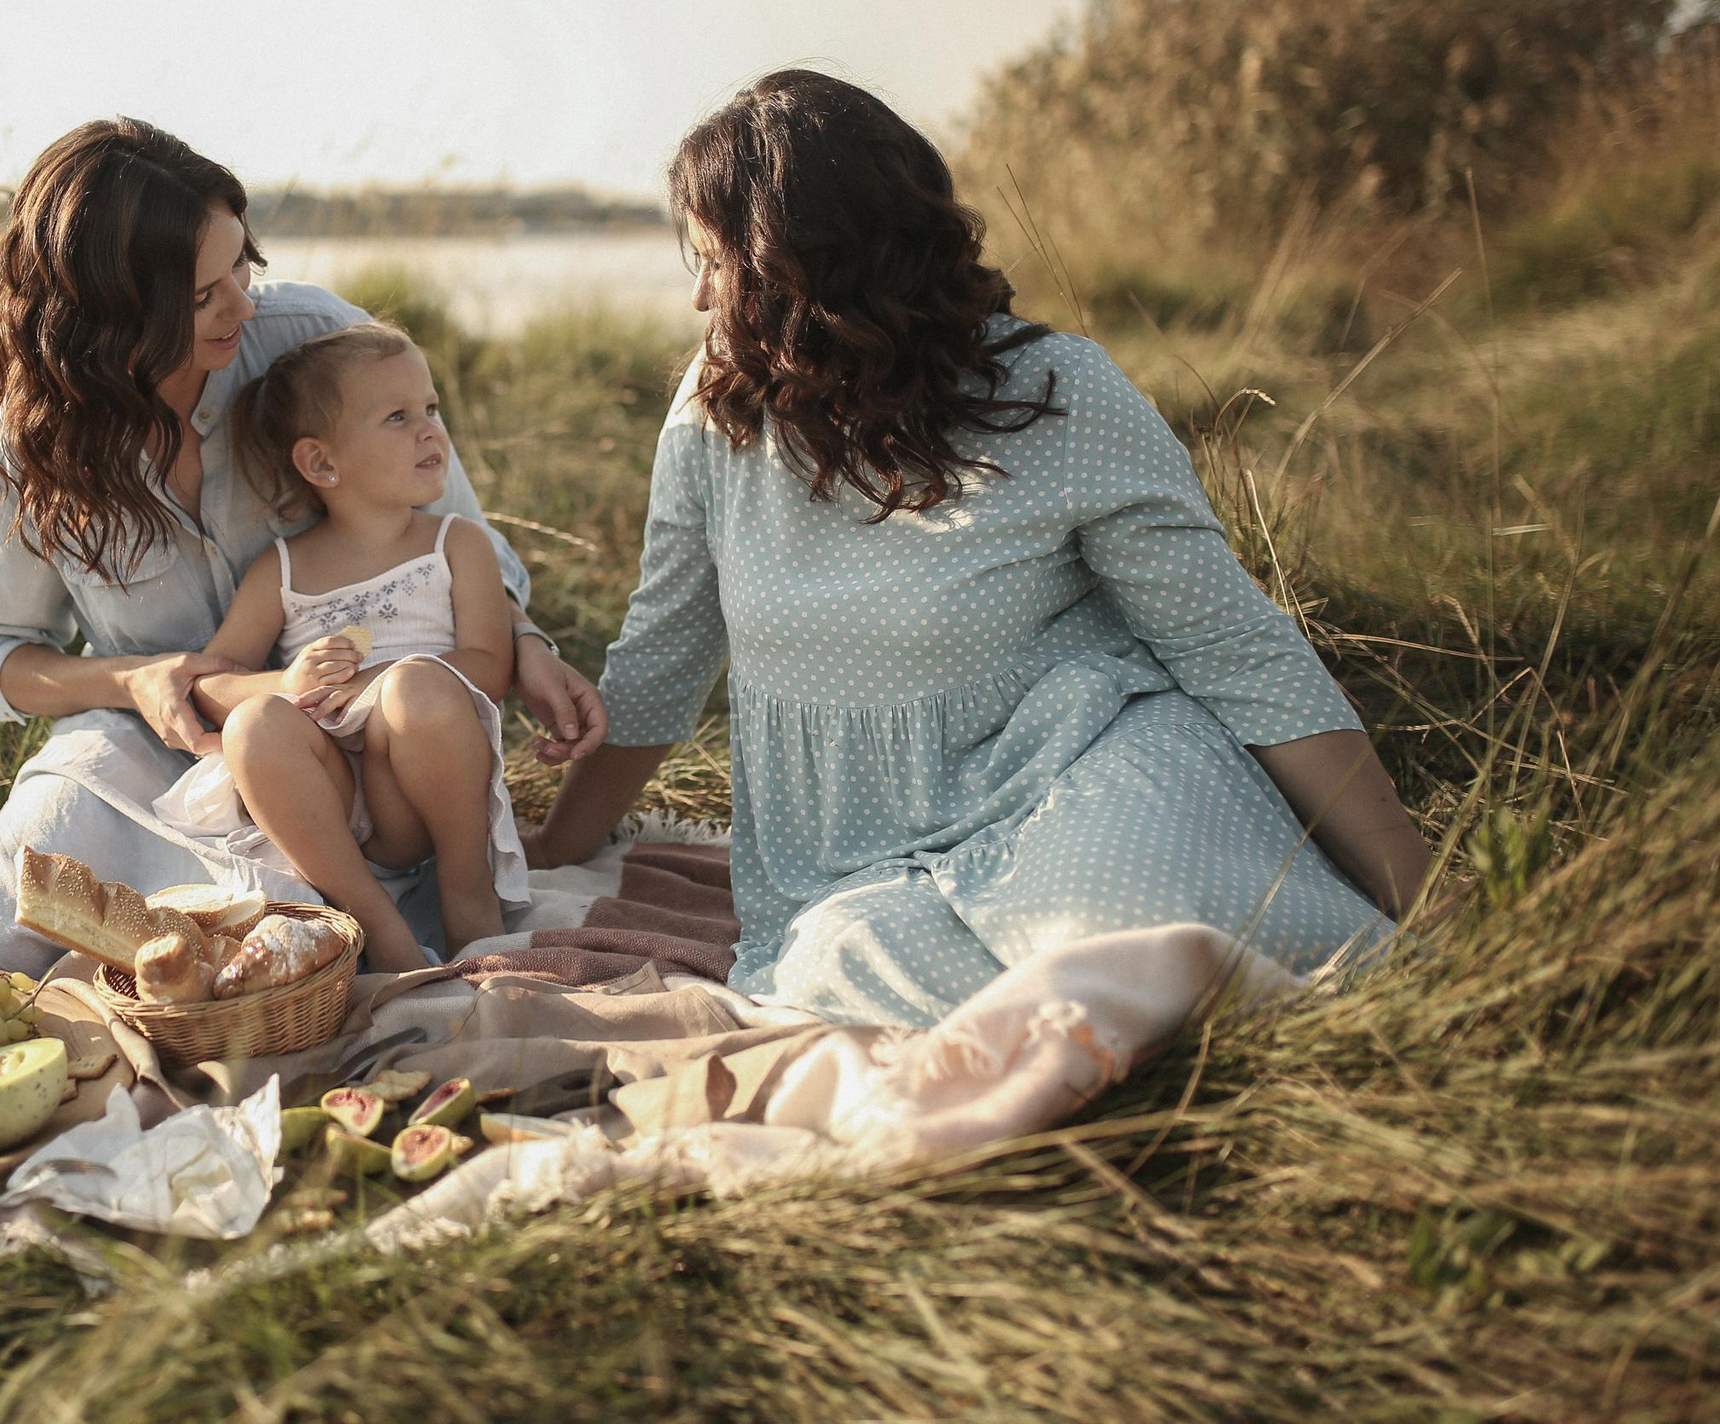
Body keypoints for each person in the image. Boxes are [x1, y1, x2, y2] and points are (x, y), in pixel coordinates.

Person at [527, 68, 1434, 1028]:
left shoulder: (1058, 390)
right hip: (853, 862)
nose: (700, 301)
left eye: (716, 263)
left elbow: (1234, 649)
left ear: (802, 267)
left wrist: (1419, 892)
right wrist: (557, 845)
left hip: (1077, 779)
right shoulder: (719, 412)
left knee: (1135, 940)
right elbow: (665, 649)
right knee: (849, 972)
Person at [0, 118, 605, 969]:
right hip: (163, 747)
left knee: (304, 947)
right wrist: (134, 680)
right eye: (202, 295)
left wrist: (525, 647)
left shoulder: (313, 345)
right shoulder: (30, 449)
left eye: (243, 265)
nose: (241, 305)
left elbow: (457, 540)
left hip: (365, 755)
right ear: (111, 323)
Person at [153, 321, 528, 972]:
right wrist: (286, 681)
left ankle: (468, 895)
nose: (430, 430)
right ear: (322, 462)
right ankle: (375, 925)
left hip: (420, 782)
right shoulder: (284, 569)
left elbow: (490, 668)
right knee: (252, 724)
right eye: (398, 416)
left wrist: (384, 678)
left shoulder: (456, 543)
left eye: (431, 409)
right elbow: (211, 683)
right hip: (330, 803)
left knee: (416, 685)